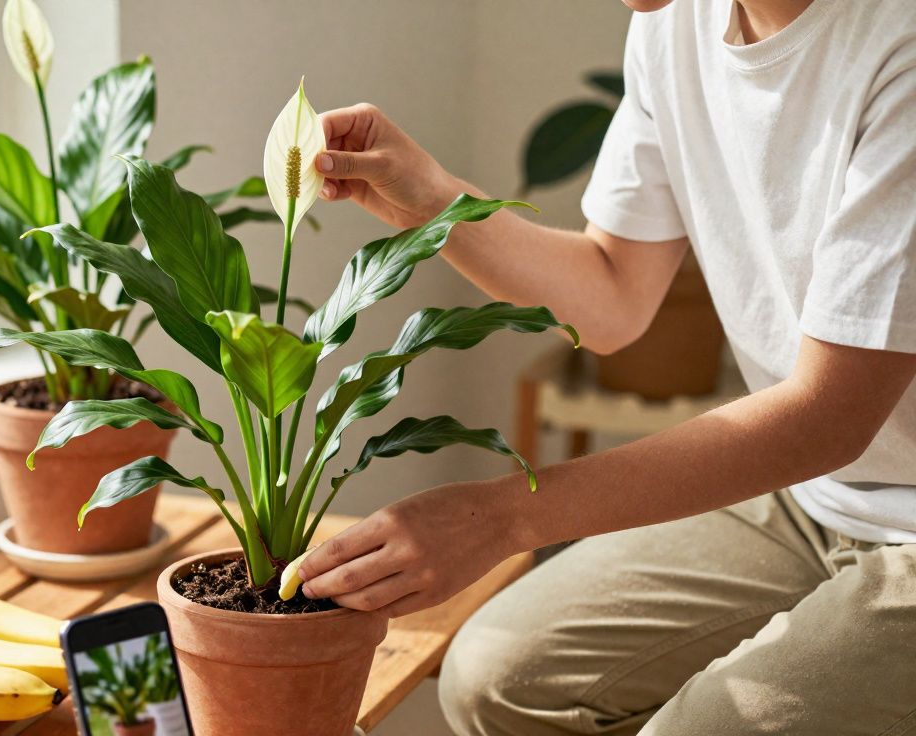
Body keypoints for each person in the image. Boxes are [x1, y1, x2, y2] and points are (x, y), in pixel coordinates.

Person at [295, 0, 916, 733]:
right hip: (814, 499)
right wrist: (429, 200)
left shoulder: (896, 47)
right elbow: (612, 292)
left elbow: (826, 418)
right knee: (499, 681)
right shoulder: (677, 20)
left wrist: (498, 520)